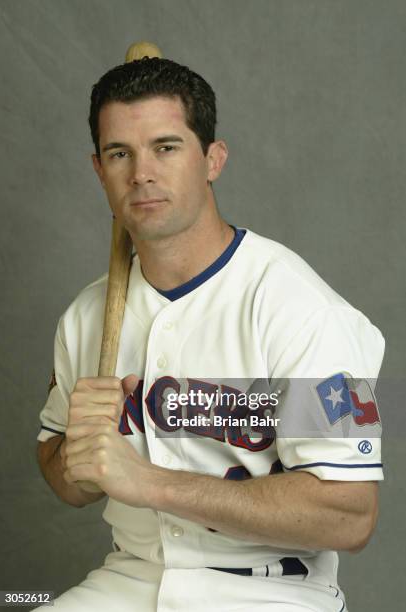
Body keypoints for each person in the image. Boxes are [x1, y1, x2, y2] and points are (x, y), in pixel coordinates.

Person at [35, 57, 385, 612]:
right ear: (99, 169)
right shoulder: (84, 317)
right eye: (119, 153)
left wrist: (149, 482)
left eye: (166, 147)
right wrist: (77, 453)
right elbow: (64, 478)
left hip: (274, 590)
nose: (141, 173)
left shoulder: (304, 309)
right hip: (129, 580)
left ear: (213, 160)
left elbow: (351, 513)